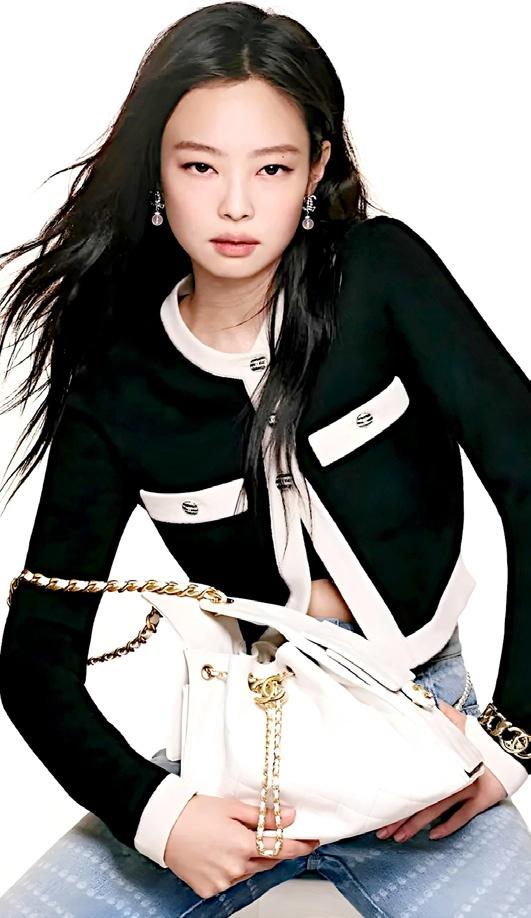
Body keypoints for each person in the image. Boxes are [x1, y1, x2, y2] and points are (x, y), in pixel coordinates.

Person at [1, 2, 530, 915]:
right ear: (156, 172)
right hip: (237, 757)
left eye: (272, 167)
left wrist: (508, 741)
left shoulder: (381, 275)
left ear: (316, 170)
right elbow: (35, 652)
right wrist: (160, 816)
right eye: (200, 166)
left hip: (426, 754)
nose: (236, 205)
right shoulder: (117, 379)